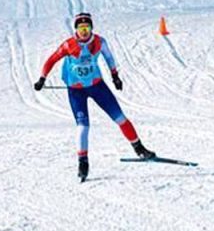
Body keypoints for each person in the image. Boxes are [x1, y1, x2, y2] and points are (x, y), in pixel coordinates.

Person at [34, 12, 154, 182]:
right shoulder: (69, 45)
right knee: (83, 126)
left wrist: (115, 76)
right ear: (76, 29)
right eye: (81, 28)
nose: (84, 32)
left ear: (91, 28)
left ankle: (139, 148)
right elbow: (51, 60)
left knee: (120, 117)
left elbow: (109, 58)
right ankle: (83, 162)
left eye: (87, 27)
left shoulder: (99, 42)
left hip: (97, 86)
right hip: (76, 91)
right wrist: (42, 78)